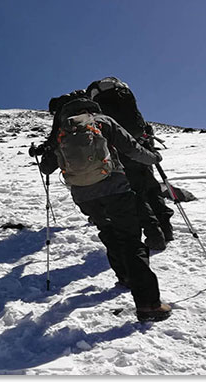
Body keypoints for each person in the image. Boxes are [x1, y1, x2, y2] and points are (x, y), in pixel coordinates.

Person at [29, 96, 171, 321]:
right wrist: (154, 157)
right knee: (130, 239)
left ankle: (124, 277)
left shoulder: (63, 129)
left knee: (108, 232)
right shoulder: (103, 121)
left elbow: (47, 168)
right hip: (115, 189)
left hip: (84, 196)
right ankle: (149, 305)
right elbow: (132, 148)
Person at [86, 77, 174, 250]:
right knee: (151, 186)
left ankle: (155, 236)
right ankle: (166, 229)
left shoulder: (99, 102)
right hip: (142, 143)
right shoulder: (122, 94)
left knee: (136, 193)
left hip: (122, 149)